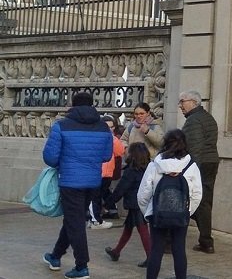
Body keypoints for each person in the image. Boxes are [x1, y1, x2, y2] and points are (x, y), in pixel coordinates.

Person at [41, 91, 114, 279]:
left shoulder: (61, 126)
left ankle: (82, 266)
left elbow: (50, 157)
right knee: (74, 220)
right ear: (92, 105)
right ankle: (55, 256)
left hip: (70, 181)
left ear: (73, 105)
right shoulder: (103, 128)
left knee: (76, 223)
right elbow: (106, 156)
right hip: (93, 182)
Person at [137, 129, 202, 279]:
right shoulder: (191, 166)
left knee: (156, 250)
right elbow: (197, 194)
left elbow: (143, 194)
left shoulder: (155, 165)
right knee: (179, 249)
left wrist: (148, 212)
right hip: (181, 214)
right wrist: (187, 211)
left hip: (157, 214)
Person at [179, 90, 219, 254]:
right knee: (204, 202)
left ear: (193, 102)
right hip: (210, 162)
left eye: (183, 101)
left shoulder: (194, 121)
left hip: (200, 164)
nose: (180, 105)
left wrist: (188, 170)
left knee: (188, 200)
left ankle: (170, 240)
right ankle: (206, 241)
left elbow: (195, 148)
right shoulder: (207, 117)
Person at [103, 142, 152, 267]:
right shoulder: (149, 168)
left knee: (142, 230)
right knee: (128, 228)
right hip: (144, 202)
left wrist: (107, 204)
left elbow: (120, 190)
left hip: (135, 203)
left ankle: (151, 257)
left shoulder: (131, 171)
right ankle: (116, 251)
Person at [88, 114, 123, 229]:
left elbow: (119, 151)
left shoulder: (112, 139)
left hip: (107, 172)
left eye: (112, 127)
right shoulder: (101, 138)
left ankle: (96, 218)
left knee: (99, 196)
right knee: (95, 196)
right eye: (107, 127)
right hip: (98, 171)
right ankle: (95, 220)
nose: (110, 129)